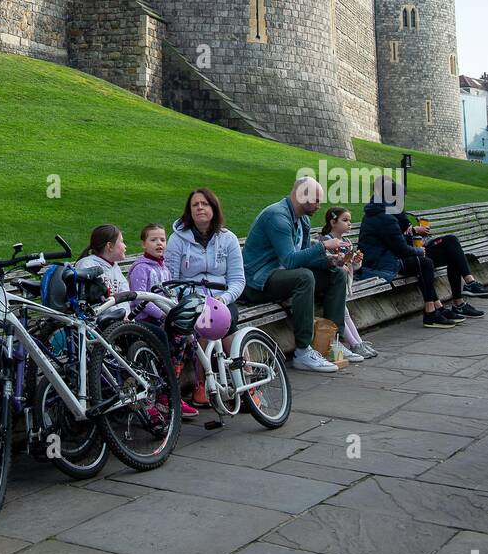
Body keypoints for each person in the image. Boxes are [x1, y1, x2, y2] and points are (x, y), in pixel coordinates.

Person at [241, 174, 360, 372]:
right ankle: (303, 352)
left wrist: (331, 260)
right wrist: (323, 247)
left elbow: (305, 257)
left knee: (336, 274)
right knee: (304, 277)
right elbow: (290, 260)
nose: (319, 206)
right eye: (316, 200)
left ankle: (331, 342)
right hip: (258, 281)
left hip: (282, 276)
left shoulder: (303, 220)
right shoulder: (277, 216)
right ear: (301, 195)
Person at [359, 177, 486, 326]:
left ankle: (461, 298)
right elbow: (400, 247)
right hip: (389, 260)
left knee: (450, 244)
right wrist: (418, 248)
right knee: (425, 262)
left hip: (402, 252)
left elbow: (400, 235)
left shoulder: (388, 211)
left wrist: (412, 233)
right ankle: (434, 310)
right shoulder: (384, 216)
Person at [164, 187, 244, 405]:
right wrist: (186, 301)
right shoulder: (177, 240)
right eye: (195, 205)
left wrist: (224, 298)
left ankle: (246, 382)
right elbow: (170, 279)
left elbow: (238, 279)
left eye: (204, 204)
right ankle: (202, 382)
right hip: (192, 300)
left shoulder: (228, 239)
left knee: (229, 328)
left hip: (222, 298)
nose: (200, 208)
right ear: (189, 211)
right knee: (205, 321)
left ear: (213, 208)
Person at [129, 223, 200, 418]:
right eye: (153, 240)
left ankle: (172, 391)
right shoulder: (141, 269)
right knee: (177, 339)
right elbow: (140, 301)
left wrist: (178, 312)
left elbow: (170, 297)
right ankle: (165, 395)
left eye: (162, 239)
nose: (159, 243)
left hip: (165, 318)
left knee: (192, 337)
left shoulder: (164, 268)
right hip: (147, 320)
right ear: (144, 244)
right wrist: (164, 315)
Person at [320, 207, 376, 358]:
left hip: (345, 284)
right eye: (345, 220)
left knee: (345, 314)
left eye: (350, 220)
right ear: (333, 222)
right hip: (331, 285)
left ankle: (358, 342)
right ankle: (355, 344)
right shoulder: (326, 241)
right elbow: (328, 264)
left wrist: (356, 262)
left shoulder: (347, 242)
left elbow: (352, 267)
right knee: (343, 314)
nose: (349, 224)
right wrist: (341, 262)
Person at [75, 224, 131, 319]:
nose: (125, 246)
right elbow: (96, 302)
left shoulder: (115, 267)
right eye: (122, 241)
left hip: (118, 323)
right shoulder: (88, 265)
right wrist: (120, 317)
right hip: (96, 324)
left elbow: (125, 297)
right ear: (109, 246)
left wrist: (125, 316)